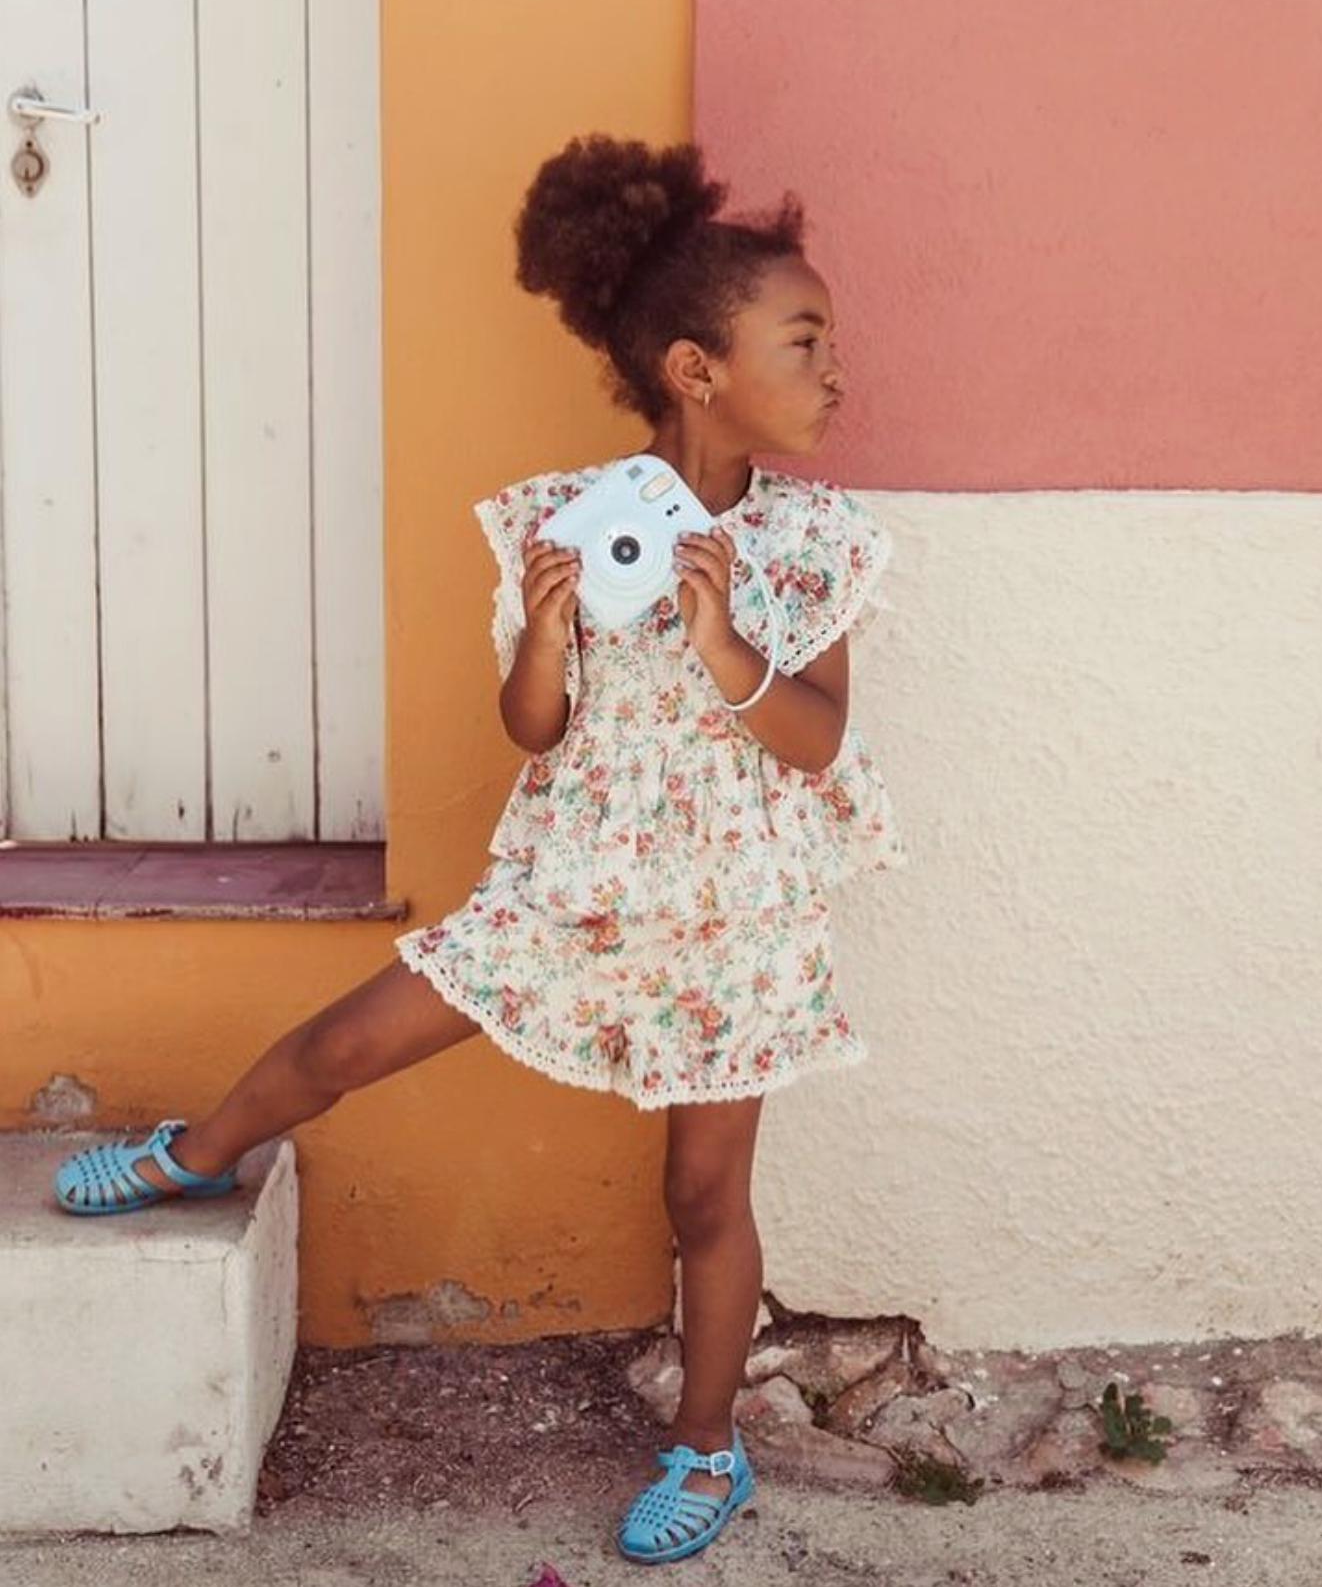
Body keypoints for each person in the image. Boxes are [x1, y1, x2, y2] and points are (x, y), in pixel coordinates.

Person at [51, 134, 907, 1564]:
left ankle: (708, 1446)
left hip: (736, 916)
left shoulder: (819, 541)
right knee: (349, 1039)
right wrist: (551, 631)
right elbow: (532, 729)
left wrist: (724, 642)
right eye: (804, 340)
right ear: (695, 368)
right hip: (572, 889)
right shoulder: (565, 519)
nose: (835, 370)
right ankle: (198, 1153)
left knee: (704, 1195)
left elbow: (818, 742)